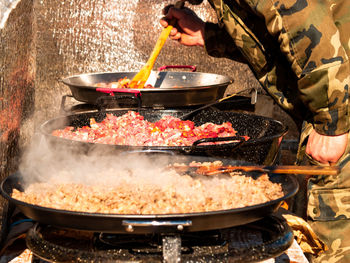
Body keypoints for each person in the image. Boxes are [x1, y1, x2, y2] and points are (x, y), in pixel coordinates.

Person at [160, 0, 350, 262]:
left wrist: (332, 121)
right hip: (338, 96)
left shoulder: (336, 110)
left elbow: (304, 25)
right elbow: (279, 40)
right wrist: (208, 35)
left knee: (333, 247)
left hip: (343, 100)